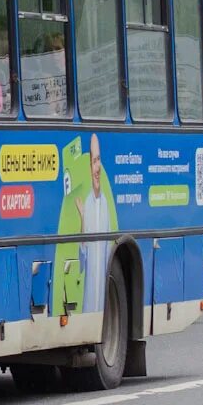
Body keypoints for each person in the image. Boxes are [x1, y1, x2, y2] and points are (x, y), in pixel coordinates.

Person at [75, 133, 111, 314]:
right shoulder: (87, 203)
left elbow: (110, 249)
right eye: (93, 161)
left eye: (99, 160)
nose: (96, 167)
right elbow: (83, 254)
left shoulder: (106, 204)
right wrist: (82, 218)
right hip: (90, 288)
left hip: (104, 286)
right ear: (89, 167)